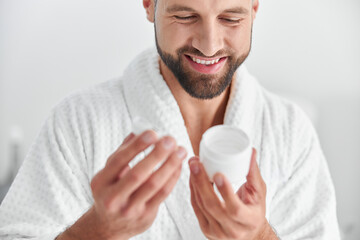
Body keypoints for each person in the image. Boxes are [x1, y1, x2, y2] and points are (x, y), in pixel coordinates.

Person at [0, 0, 341, 239]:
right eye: (185, 16)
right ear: (150, 4)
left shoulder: (290, 130)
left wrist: (260, 237)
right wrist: (95, 232)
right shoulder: (78, 122)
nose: (209, 45)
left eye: (230, 19)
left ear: (253, 9)